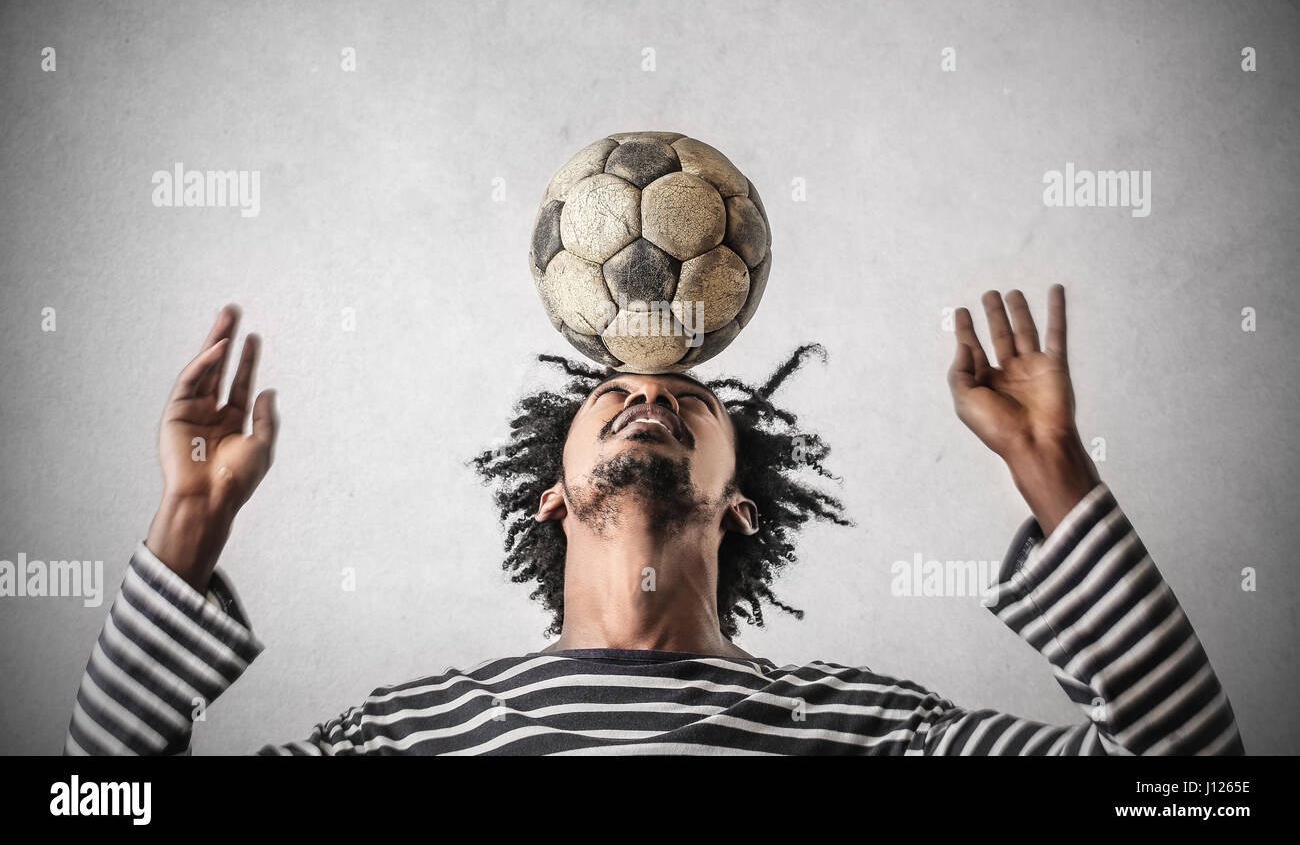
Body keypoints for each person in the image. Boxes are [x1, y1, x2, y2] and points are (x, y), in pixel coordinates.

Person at [64, 286, 1245, 755]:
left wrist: (1051, 464)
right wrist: (186, 518)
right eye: (615, 393)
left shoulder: (878, 729)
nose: (645, 395)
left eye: (688, 399)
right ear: (550, 490)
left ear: (738, 504)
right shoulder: (399, 732)